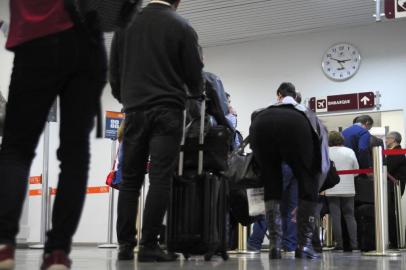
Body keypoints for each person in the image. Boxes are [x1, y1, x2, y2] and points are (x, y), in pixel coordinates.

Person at [0, 0, 110, 269]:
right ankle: (58, 252)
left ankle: (3, 245)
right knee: (75, 155)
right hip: (86, 43)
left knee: (16, 149)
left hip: (35, 41)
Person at [109, 0, 204, 262]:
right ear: (178, 1)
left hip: (135, 110)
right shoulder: (182, 26)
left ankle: (125, 246)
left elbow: (114, 70)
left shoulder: (125, 23)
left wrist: (126, 97)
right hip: (168, 111)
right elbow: (195, 74)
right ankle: (149, 245)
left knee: (130, 180)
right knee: (160, 177)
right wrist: (194, 93)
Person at [249, 82, 329, 260]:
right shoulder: (307, 113)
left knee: (271, 183)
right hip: (296, 127)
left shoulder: (265, 111)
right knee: (307, 181)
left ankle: (274, 247)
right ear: (295, 95)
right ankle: (303, 246)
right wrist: (314, 187)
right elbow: (321, 159)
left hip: (261, 124)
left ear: (279, 95)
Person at [325, 131, 359, 251]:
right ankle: (354, 244)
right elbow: (356, 170)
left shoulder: (326, 151)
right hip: (348, 188)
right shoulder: (349, 151)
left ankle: (339, 244)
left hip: (331, 188)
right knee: (350, 216)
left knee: (335, 217)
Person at [385, 131, 406, 249]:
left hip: (395, 186)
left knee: (392, 213)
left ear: (394, 139)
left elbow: (388, 168)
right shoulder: (394, 152)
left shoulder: (396, 152)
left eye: (388, 138)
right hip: (395, 186)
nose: (386, 140)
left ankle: (394, 241)